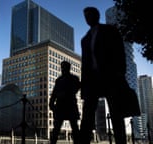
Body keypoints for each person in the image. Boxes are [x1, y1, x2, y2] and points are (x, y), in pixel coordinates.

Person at [79, 7, 128, 144]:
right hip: (92, 81)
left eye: (90, 15)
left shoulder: (110, 30)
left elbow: (120, 51)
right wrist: (84, 87)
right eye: (86, 16)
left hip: (110, 77)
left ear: (97, 15)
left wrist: (120, 72)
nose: (88, 18)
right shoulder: (85, 39)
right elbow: (85, 65)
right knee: (87, 115)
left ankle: (121, 141)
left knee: (116, 114)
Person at [49, 61, 81, 144]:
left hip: (70, 105)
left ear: (68, 68)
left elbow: (77, 88)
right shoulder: (59, 80)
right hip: (61, 106)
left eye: (64, 67)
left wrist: (66, 93)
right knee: (56, 129)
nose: (63, 69)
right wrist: (51, 104)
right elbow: (54, 93)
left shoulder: (74, 79)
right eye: (62, 67)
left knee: (74, 128)